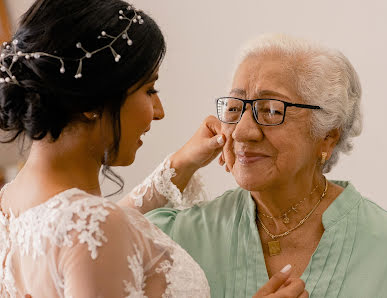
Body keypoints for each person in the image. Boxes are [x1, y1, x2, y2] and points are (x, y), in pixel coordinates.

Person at [0, 1, 308, 297]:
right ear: (92, 102)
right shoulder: (95, 227)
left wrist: (180, 164)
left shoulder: (12, 205)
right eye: (150, 90)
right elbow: (99, 232)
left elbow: (95, 231)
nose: (158, 111)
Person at [144, 35, 387, 297]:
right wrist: (180, 164)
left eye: (272, 110)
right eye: (235, 108)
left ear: (327, 136)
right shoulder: (176, 240)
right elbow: (99, 237)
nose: (241, 131)